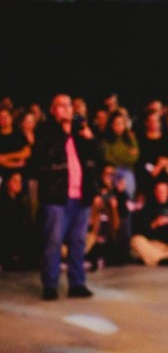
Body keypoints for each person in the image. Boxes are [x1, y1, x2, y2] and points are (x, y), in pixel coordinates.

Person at [31, 93, 99, 300]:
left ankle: (77, 283)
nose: (67, 109)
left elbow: (97, 157)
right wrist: (64, 132)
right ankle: (50, 285)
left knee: (78, 241)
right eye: (61, 106)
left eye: (69, 105)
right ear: (53, 110)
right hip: (56, 195)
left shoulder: (80, 133)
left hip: (81, 195)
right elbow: (42, 157)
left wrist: (88, 137)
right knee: (54, 241)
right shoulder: (46, 131)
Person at [130, 181, 168, 267]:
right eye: (159, 191)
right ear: (155, 192)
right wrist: (155, 224)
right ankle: (164, 258)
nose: (161, 194)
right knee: (136, 240)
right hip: (155, 245)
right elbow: (140, 231)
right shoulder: (147, 208)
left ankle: (164, 258)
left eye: (164, 191)